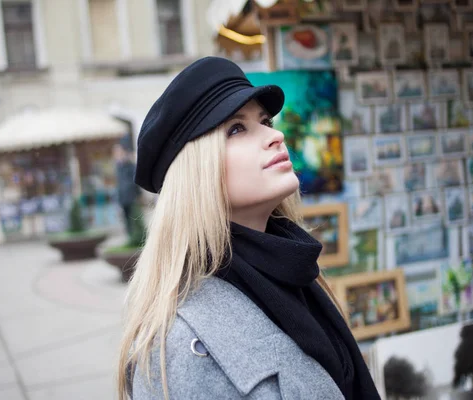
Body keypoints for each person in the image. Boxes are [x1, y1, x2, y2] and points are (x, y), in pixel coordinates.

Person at [117, 57, 380, 400]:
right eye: (237, 128)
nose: (276, 135)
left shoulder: (296, 272)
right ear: (196, 169)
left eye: (266, 120)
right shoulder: (177, 346)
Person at [114, 134, 140, 240]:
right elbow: (119, 183)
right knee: (126, 220)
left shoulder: (129, 165)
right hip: (123, 198)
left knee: (133, 218)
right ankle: (130, 237)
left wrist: (138, 194)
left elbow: (135, 180)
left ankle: (136, 237)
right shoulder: (118, 166)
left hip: (131, 197)